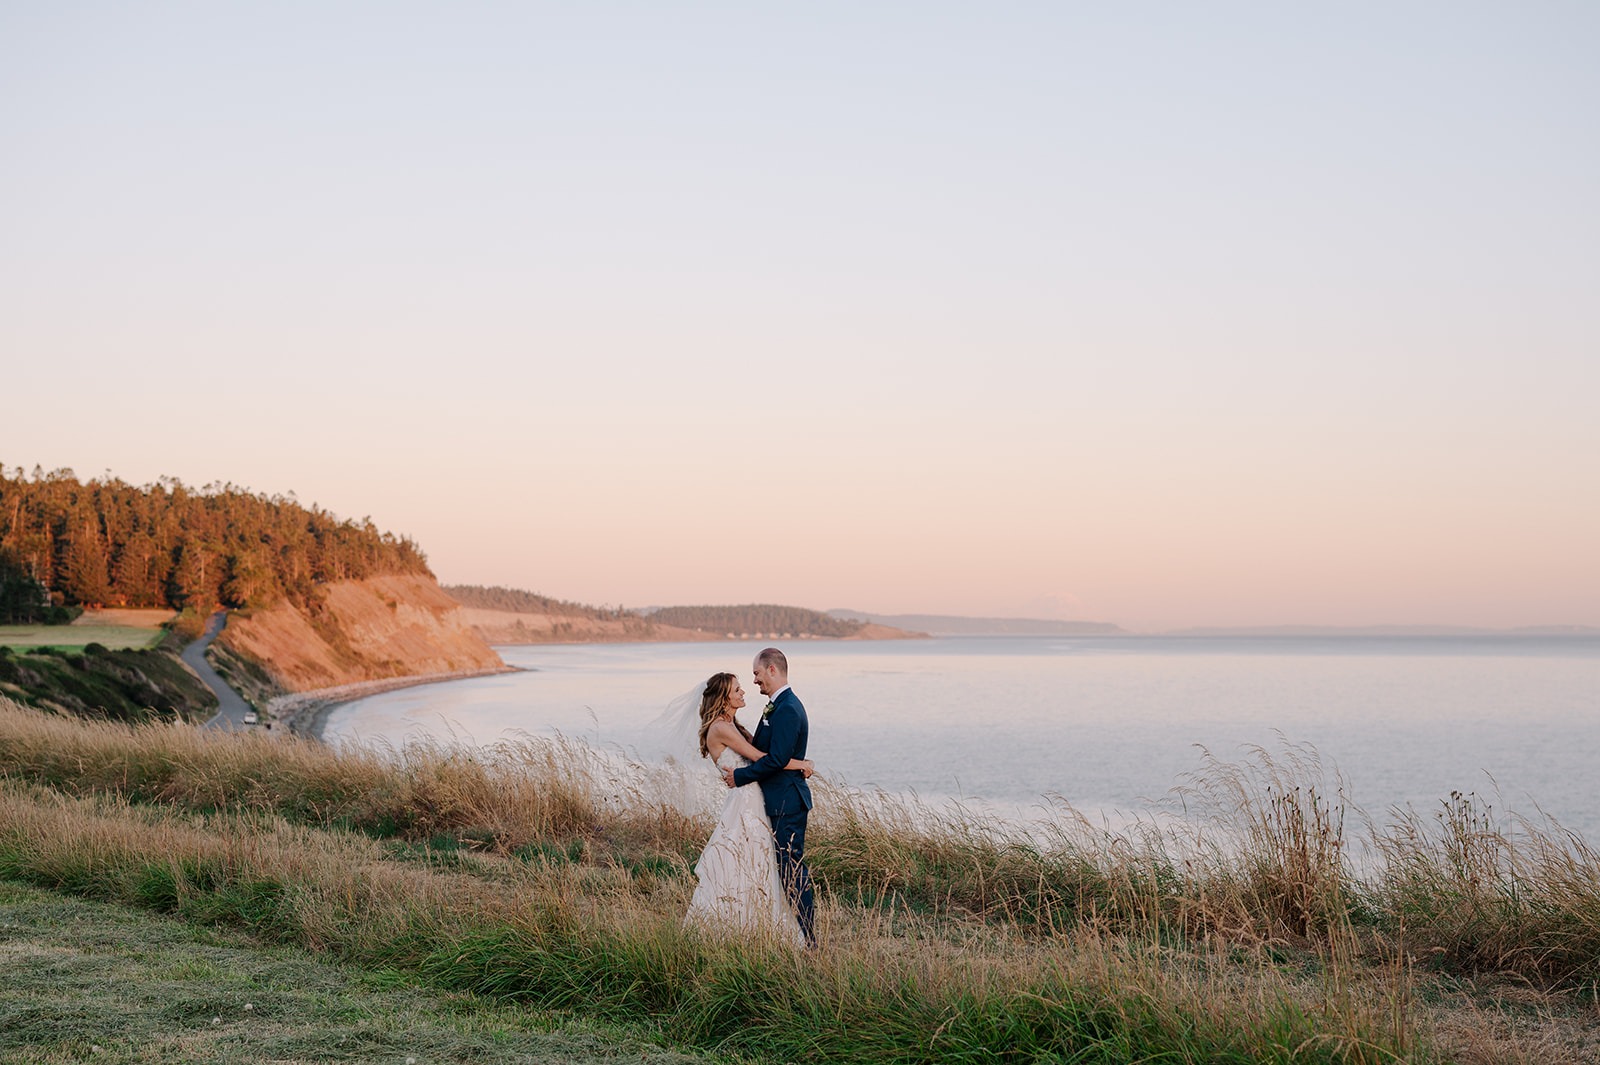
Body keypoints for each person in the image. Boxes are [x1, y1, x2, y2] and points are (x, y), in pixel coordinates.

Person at [684, 670, 813, 945]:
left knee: (759, 863)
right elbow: (760, 758)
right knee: (741, 864)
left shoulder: (733, 725)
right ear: (723, 698)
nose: (743, 692)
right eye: (737, 690)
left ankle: (757, 926)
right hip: (744, 802)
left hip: (754, 799)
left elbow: (764, 755)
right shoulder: (719, 728)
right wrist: (801, 763)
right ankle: (735, 928)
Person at [722, 647, 816, 948]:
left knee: (792, 872)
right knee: (782, 872)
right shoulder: (777, 705)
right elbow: (763, 750)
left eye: (757, 674)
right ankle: (790, 935)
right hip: (777, 801)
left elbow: (775, 760)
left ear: (772, 670)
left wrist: (740, 777)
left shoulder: (787, 708)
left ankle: (809, 939)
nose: (755, 681)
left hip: (787, 803)